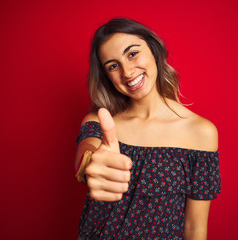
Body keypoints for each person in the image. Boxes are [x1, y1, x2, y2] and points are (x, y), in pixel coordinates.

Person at [75, 18, 221, 240]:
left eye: (132, 54)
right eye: (113, 66)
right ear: (107, 76)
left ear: (154, 50)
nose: (127, 71)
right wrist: (90, 163)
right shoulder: (101, 121)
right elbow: (87, 152)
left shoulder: (201, 132)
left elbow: (195, 228)